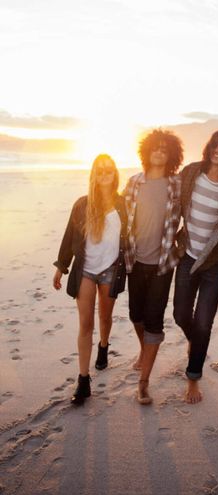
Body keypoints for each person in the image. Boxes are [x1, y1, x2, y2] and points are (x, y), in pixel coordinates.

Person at [173, 129, 218, 404]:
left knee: (204, 322)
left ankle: (193, 378)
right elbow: (171, 201)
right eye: (215, 145)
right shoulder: (192, 172)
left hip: (215, 263)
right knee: (181, 315)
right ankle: (197, 343)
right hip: (188, 254)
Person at [53, 154, 127, 405]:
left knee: (104, 317)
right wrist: (61, 267)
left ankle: (104, 346)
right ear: (94, 174)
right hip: (85, 269)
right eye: (100, 170)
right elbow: (68, 236)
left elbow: (131, 236)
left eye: (109, 170)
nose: (105, 174)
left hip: (110, 270)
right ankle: (83, 380)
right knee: (85, 324)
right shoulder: (82, 204)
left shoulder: (122, 204)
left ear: (114, 174)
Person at [123, 129, 183, 405]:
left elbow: (190, 216)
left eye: (164, 149)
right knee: (136, 315)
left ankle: (143, 383)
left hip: (162, 264)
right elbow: (122, 220)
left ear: (171, 154)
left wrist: (179, 248)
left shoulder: (176, 184)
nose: (159, 152)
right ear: (146, 151)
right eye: (155, 148)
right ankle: (144, 349)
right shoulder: (134, 183)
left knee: (154, 320)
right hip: (135, 261)